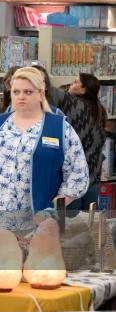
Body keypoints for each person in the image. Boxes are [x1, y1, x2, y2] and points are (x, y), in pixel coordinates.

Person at [0, 67, 88, 237]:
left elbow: (78, 177)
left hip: (37, 226)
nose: (21, 96)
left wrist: (51, 209)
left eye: (28, 92)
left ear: (41, 94)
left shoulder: (60, 128)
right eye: (16, 91)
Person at [60, 73, 107, 214]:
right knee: (90, 220)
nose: (71, 84)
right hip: (92, 172)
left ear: (84, 89)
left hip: (73, 174)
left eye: (75, 82)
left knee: (70, 223)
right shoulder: (99, 109)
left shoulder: (74, 106)